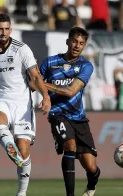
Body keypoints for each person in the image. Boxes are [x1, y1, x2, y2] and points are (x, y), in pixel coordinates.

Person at [0, 13, 51, 196]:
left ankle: (21, 193)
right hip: (2, 99)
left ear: (10, 29)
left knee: (23, 152)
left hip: (22, 104)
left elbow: (36, 76)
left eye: (6, 29)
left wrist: (46, 97)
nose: (3, 32)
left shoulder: (22, 49)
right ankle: (7, 144)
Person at [39, 27, 100, 196]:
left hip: (79, 118)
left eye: (81, 43)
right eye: (74, 41)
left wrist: (44, 85)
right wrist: (45, 96)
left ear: (84, 46)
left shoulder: (86, 66)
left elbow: (71, 91)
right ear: (67, 41)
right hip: (58, 114)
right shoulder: (50, 62)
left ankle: (92, 183)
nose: (77, 45)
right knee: (69, 146)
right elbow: (32, 82)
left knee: (91, 166)